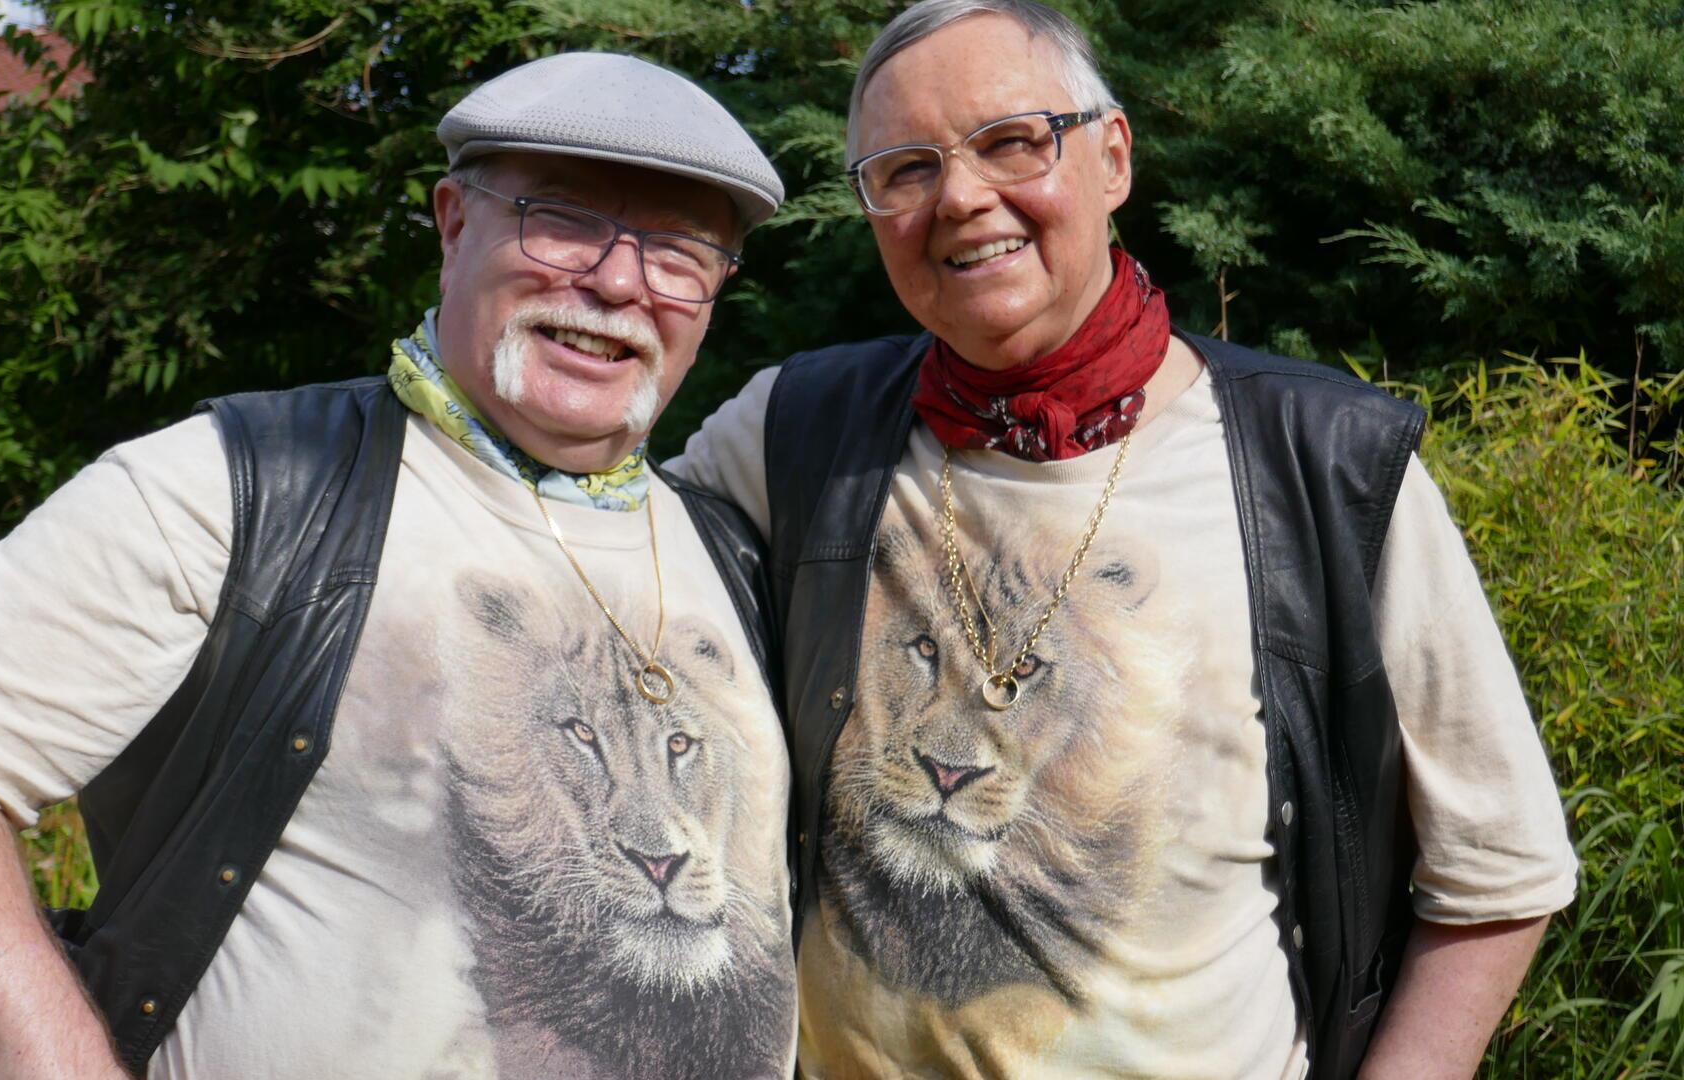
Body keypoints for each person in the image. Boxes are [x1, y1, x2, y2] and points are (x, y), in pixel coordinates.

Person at [0, 52, 798, 1080]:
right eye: (564, 219)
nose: (619, 282)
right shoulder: (234, 486)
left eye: (678, 252)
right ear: (454, 224)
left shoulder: (729, 544)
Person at [666, 2, 1577, 1078]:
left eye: (1012, 141)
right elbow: (571, 565)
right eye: (904, 170)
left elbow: (1500, 873)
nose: (959, 198)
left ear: (1113, 159)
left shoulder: (1323, 470)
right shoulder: (794, 434)